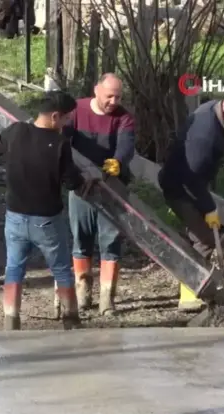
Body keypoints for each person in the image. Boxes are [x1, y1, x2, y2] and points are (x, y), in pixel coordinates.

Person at [0, 90, 95, 330]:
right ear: (55, 116)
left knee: (14, 268)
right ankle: (71, 320)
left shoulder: (16, 131)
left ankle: (11, 320)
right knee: (61, 270)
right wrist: (86, 180)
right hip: (46, 220)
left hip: (14, 217)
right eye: (67, 118)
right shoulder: (59, 145)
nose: (67, 123)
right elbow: (72, 183)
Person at [158, 86, 224, 312]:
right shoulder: (205, 133)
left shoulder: (214, 110)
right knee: (203, 238)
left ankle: (194, 283)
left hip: (189, 183)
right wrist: (209, 208)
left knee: (202, 236)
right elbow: (192, 177)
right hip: (179, 186)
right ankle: (189, 295)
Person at [66, 73, 136, 316]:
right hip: (81, 186)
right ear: (97, 90)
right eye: (109, 96)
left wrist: (117, 162)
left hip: (111, 186)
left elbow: (126, 146)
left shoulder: (123, 118)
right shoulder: (76, 110)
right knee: (81, 238)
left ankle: (107, 298)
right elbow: (64, 142)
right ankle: (82, 292)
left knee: (110, 241)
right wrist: (74, 174)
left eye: (118, 97)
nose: (114, 101)